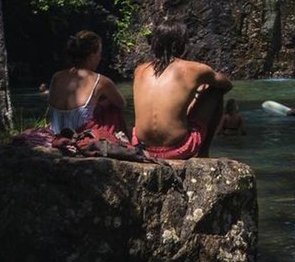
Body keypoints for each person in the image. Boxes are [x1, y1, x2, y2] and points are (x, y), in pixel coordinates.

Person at [132, 21, 232, 159]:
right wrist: (200, 90)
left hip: (142, 148)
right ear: (180, 44)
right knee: (216, 91)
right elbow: (226, 84)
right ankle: (203, 153)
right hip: (177, 148)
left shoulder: (139, 70)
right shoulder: (195, 69)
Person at [47, 31, 127, 139]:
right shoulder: (101, 81)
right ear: (91, 56)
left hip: (55, 132)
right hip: (80, 135)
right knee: (112, 108)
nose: (100, 57)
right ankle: (122, 139)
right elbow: (121, 104)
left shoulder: (57, 77)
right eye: (99, 53)